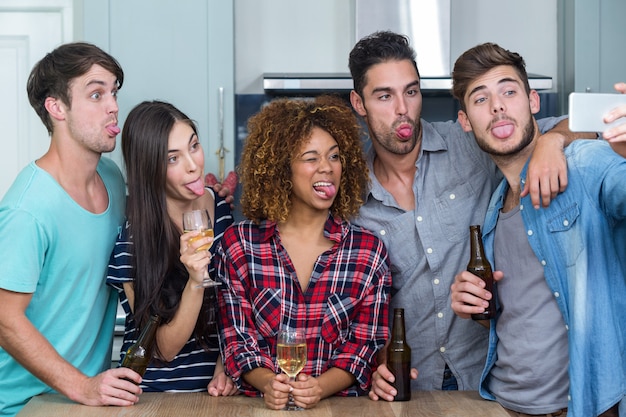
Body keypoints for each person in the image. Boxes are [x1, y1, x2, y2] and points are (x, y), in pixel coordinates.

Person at [347, 31, 594, 400]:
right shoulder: (348, 193)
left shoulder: (470, 141)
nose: (402, 108)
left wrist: (550, 142)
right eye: (385, 96)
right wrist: (375, 363)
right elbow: (353, 302)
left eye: (411, 92)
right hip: (411, 386)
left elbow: (585, 124)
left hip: (490, 379)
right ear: (359, 102)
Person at [449, 42, 625, 417]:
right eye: (480, 100)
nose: (497, 106)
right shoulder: (494, 214)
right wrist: (476, 307)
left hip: (582, 407)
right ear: (466, 121)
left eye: (508, 91)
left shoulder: (583, 164)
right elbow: (526, 318)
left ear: (533, 102)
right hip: (502, 404)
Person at [216, 95, 391, 410]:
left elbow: (364, 346)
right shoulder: (239, 245)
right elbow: (237, 342)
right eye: (311, 158)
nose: (327, 168)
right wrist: (270, 383)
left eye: (335, 156)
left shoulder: (367, 252)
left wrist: (320, 388)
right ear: (282, 169)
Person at [0, 42, 141, 415]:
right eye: (96, 94)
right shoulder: (26, 209)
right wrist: (82, 386)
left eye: (113, 92)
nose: (113, 105)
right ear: (56, 107)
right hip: (22, 406)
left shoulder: (110, 178)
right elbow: (4, 319)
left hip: (85, 402)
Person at [106, 100, 238, 395]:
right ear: (150, 169)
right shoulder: (133, 242)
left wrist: (228, 360)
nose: (193, 166)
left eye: (193, 146)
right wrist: (195, 280)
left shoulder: (222, 211)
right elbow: (164, 350)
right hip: (154, 394)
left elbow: (236, 305)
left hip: (222, 392)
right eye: (172, 159)